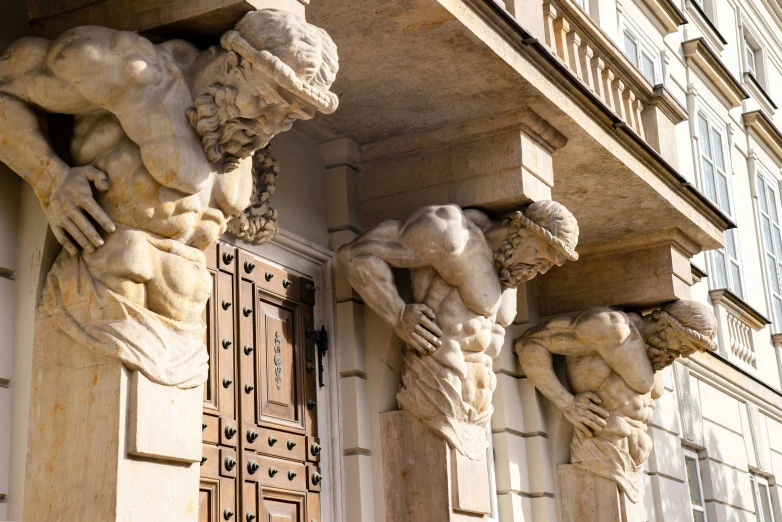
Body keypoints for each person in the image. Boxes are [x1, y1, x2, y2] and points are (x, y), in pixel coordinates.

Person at [0, 9, 338, 387]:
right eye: (265, 101)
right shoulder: (133, 71)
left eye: (288, 117)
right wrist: (51, 179)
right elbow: (7, 84)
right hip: (100, 316)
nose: (270, 127)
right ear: (232, 62)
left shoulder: (237, 144)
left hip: (184, 348)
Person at [338, 201, 579, 458]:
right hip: (436, 383)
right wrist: (397, 314)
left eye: (549, 265)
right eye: (541, 254)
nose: (541, 269)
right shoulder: (452, 235)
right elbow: (356, 254)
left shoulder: (511, 271)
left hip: (476, 409)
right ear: (520, 227)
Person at [515, 301, 717, 502]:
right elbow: (529, 345)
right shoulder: (610, 327)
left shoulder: (654, 353)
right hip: (599, 452)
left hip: (631, 465)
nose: (681, 354)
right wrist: (567, 403)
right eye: (682, 345)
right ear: (665, 325)